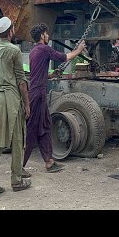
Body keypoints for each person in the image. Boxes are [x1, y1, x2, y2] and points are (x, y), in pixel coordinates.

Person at [23, 23, 86, 173]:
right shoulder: (44, 49)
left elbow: (37, 74)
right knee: (32, 130)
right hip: (38, 94)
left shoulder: (33, 52)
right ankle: (20, 166)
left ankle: (49, 161)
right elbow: (65, 57)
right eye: (46, 34)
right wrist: (79, 50)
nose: (48, 36)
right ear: (42, 36)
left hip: (37, 92)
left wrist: (51, 75)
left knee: (44, 126)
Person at [0, 16, 32, 197]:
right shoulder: (14, 51)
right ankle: (16, 180)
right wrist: (27, 104)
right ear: (10, 31)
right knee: (17, 139)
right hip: (11, 98)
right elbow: (21, 81)